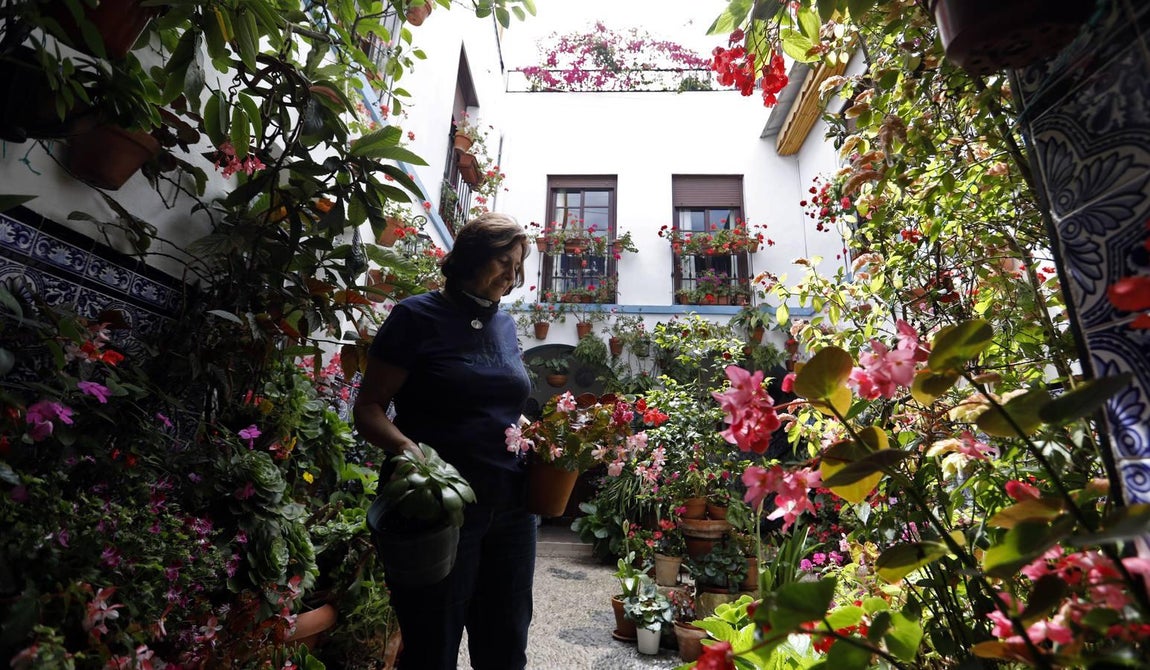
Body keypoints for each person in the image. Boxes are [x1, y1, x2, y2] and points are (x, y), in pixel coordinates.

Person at [353, 212, 535, 670]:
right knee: (432, 647)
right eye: (504, 262)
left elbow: (503, 405)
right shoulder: (416, 316)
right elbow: (369, 408)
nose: (511, 276)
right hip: (438, 510)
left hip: (511, 508)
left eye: (517, 267)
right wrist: (411, 453)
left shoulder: (505, 324)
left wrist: (539, 436)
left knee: (506, 645)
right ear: (472, 257)